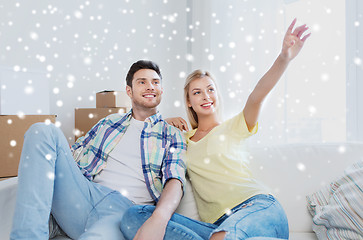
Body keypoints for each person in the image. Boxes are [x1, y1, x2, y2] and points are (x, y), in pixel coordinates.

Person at [121, 18, 311, 240]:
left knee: (223, 236)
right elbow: (144, 134)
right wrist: (162, 120)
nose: (206, 96)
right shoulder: (182, 139)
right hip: (217, 225)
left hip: (257, 208)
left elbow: (257, 96)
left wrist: (283, 58)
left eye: (210, 89)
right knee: (135, 216)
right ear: (189, 101)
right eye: (197, 92)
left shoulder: (234, 127)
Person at [10, 60, 204, 240]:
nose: (150, 86)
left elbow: (175, 179)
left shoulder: (171, 134)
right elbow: (74, 152)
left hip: (124, 211)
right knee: (42, 131)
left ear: (161, 89)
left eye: (155, 82)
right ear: (129, 90)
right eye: (142, 82)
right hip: (84, 193)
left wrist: (159, 216)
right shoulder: (109, 122)